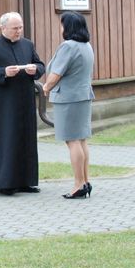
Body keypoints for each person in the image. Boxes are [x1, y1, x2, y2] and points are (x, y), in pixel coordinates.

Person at [0, 12, 45, 195]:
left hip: (25, 100)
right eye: (15, 28)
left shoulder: (27, 45)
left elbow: (40, 65)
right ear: (3, 28)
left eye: (20, 27)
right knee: (6, 139)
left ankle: (26, 181)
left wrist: (35, 69)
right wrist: (4, 72)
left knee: (26, 139)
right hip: (4, 102)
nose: (19, 31)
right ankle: (5, 182)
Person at [42, 12, 96, 200]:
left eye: (62, 24)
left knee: (72, 140)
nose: (61, 28)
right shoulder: (86, 46)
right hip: (83, 96)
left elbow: (57, 73)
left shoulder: (68, 46)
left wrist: (46, 87)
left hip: (69, 99)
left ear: (68, 27)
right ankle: (85, 181)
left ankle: (78, 184)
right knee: (81, 140)